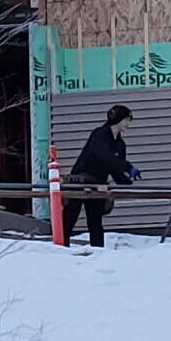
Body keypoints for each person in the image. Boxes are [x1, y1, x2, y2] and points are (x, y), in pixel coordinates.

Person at [63, 104, 139, 248]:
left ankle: (98, 251)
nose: (129, 123)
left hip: (98, 184)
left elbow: (114, 168)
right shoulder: (100, 134)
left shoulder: (120, 144)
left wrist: (126, 181)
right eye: (128, 119)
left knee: (95, 220)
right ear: (120, 119)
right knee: (70, 217)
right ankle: (60, 247)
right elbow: (105, 157)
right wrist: (128, 167)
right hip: (80, 180)